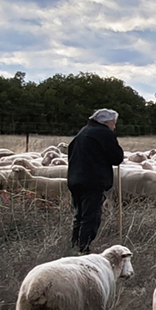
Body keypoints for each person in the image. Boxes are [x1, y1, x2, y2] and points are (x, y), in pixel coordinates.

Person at [66, 108, 125, 252]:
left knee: (79, 215)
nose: (114, 126)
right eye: (113, 123)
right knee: (91, 217)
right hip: (92, 180)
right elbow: (116, 158)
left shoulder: (83, 131)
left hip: (75, 179)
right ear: (106, 122)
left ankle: (75, 246)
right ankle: (84, 249)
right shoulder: (104, 133)